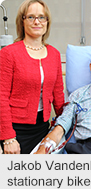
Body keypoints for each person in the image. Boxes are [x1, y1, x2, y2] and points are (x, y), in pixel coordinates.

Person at [0, 0, 64, 154]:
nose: (37, 22)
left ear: (47, 22)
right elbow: (1, 96)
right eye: (31, 17)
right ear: (22, 21)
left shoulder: (54, 54)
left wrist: (64, 124)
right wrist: (8, 137)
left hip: (43, 128)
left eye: (42, 17)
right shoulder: (9, 53)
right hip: (15, 129)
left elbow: (58, 95)